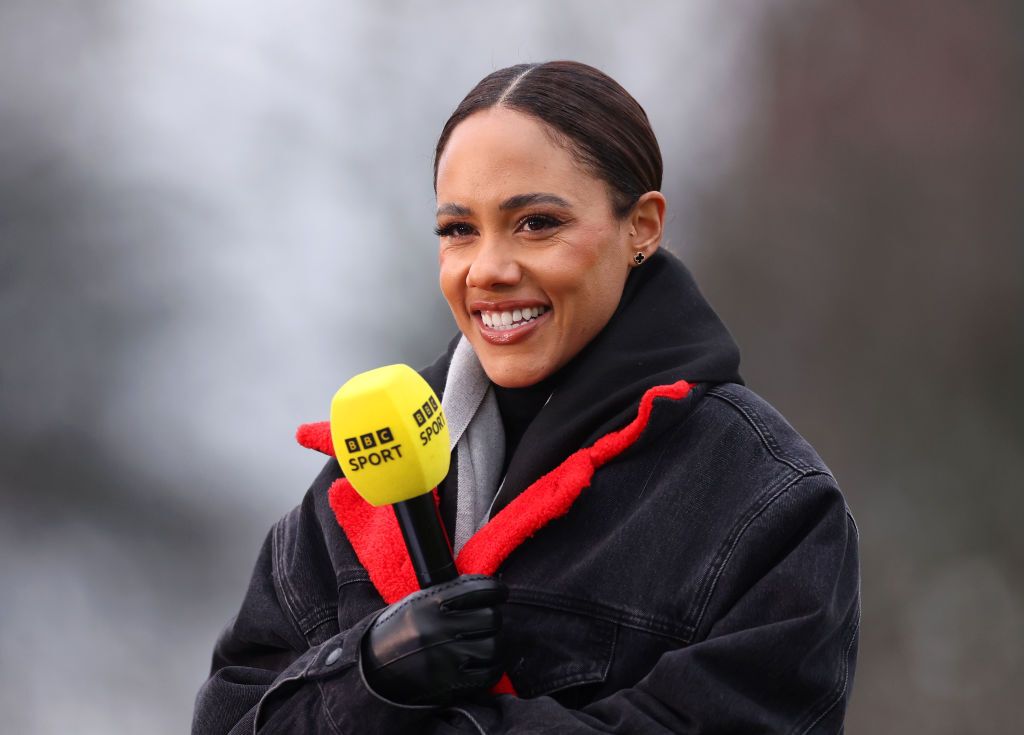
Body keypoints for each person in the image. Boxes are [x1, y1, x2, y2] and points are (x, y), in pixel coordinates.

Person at [192, 61, 859, 734]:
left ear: (643, 226)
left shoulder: (768, 500)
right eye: (458, 230)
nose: (489, 269)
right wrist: (369, 672)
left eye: (537, 222)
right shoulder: (360, 477)